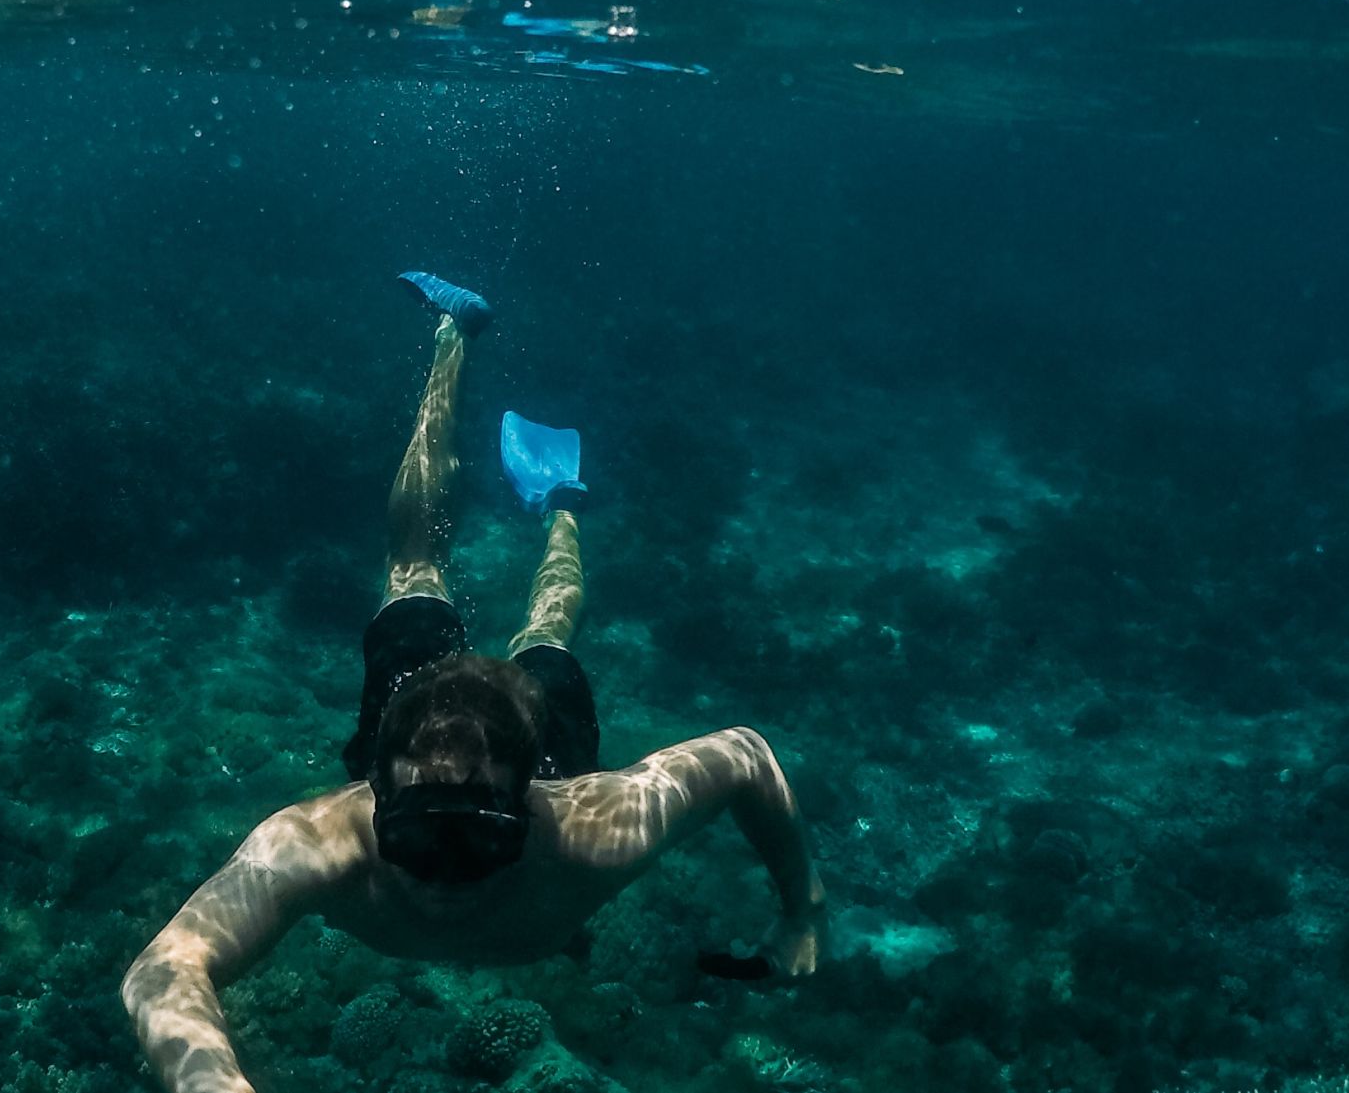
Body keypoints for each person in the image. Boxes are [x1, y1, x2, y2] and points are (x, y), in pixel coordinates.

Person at [120, 273, 826, 1093]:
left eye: (476, 832)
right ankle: (454, 335)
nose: (444, 873)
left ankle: (559, 501)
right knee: (417, 558)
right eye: (421, 832)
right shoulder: (318, 844)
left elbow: (744, 754)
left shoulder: (591, 829)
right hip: (428, 710)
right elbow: (161, 971)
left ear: (530, 798)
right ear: (373, 786)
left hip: (537, 743)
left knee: (538, 627)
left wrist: (802, 907)